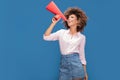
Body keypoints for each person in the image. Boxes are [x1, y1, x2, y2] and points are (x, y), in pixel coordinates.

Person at [43, 7, 88, 80]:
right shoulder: (61, 32)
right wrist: (53, 23)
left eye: (72, 17)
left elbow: (82, 57)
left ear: (78, 21)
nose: (69, 19)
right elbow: (46, 37)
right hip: (64, 64)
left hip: (76, 64)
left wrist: (85, 72)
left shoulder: (82, 37)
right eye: (68, 17)